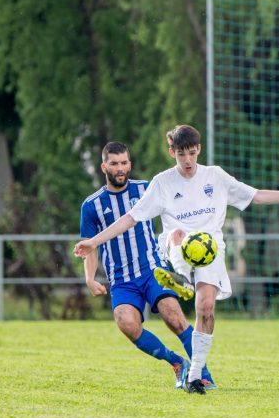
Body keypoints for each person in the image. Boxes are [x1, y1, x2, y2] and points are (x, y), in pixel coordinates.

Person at [74, 125, 279, 394]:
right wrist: (94, 242)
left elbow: (256, 195)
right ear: (173, 153)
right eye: (182, 154)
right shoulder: (160, 183)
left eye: (192, 153)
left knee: (204, 310)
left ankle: (195, 375)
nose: (188, 160)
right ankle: (180, 274)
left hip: (209, 251)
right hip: (167, 254)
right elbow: (129, 219)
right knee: (176, 235)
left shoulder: (215, 176)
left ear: (199, 150)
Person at [79, 141, 215, 391]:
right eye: (114, 164)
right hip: (122, 280)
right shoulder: (92, 205)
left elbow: (176, 210)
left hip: (153, 269)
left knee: (173, 316)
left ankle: (203, 375)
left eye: (124, 163)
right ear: (103, 166)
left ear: (130, 164)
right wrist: (90, 278)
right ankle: (176, 363)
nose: (120, 168)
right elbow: (90, 246)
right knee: (126, 322)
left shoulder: (146, 189)